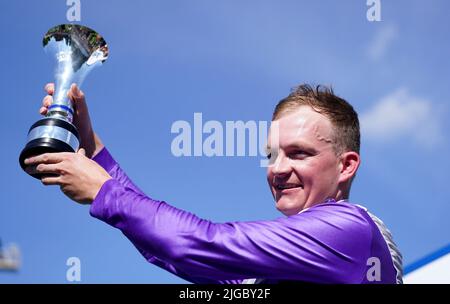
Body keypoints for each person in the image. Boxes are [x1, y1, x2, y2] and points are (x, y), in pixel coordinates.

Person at [25, 83, 403, 284]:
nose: (278, 169)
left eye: (298, 153)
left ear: (346, 165)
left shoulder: (350, 230)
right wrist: (95, 154)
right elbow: (176, 250)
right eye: (271, 155)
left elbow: (203, 243)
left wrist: (105, 193)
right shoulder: (279, 266)